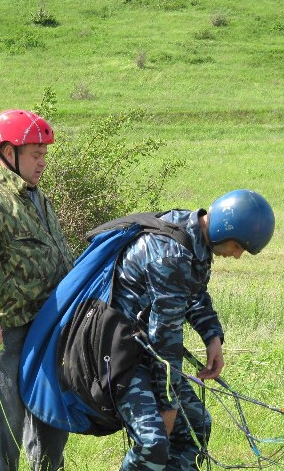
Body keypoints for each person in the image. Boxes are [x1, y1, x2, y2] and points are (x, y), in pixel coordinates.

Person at [110, 189, 275, 470]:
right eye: (238, 247)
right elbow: (165, 341)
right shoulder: (170, 255)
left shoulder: (194, 237)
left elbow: (195, 295)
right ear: (226, 229)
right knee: (154, 441)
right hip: (120, 355)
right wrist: (168, 404)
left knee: (196, 425)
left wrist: (213, 338)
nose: (237, 256)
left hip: (147, 350)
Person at [0, 109, 74, 471]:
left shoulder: (34, 195)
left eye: (44, 155)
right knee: (3, 427)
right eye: (35, 155)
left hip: (44, 326)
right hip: (3, 330)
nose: (42, 163)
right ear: (9, 153)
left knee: (51, 421)